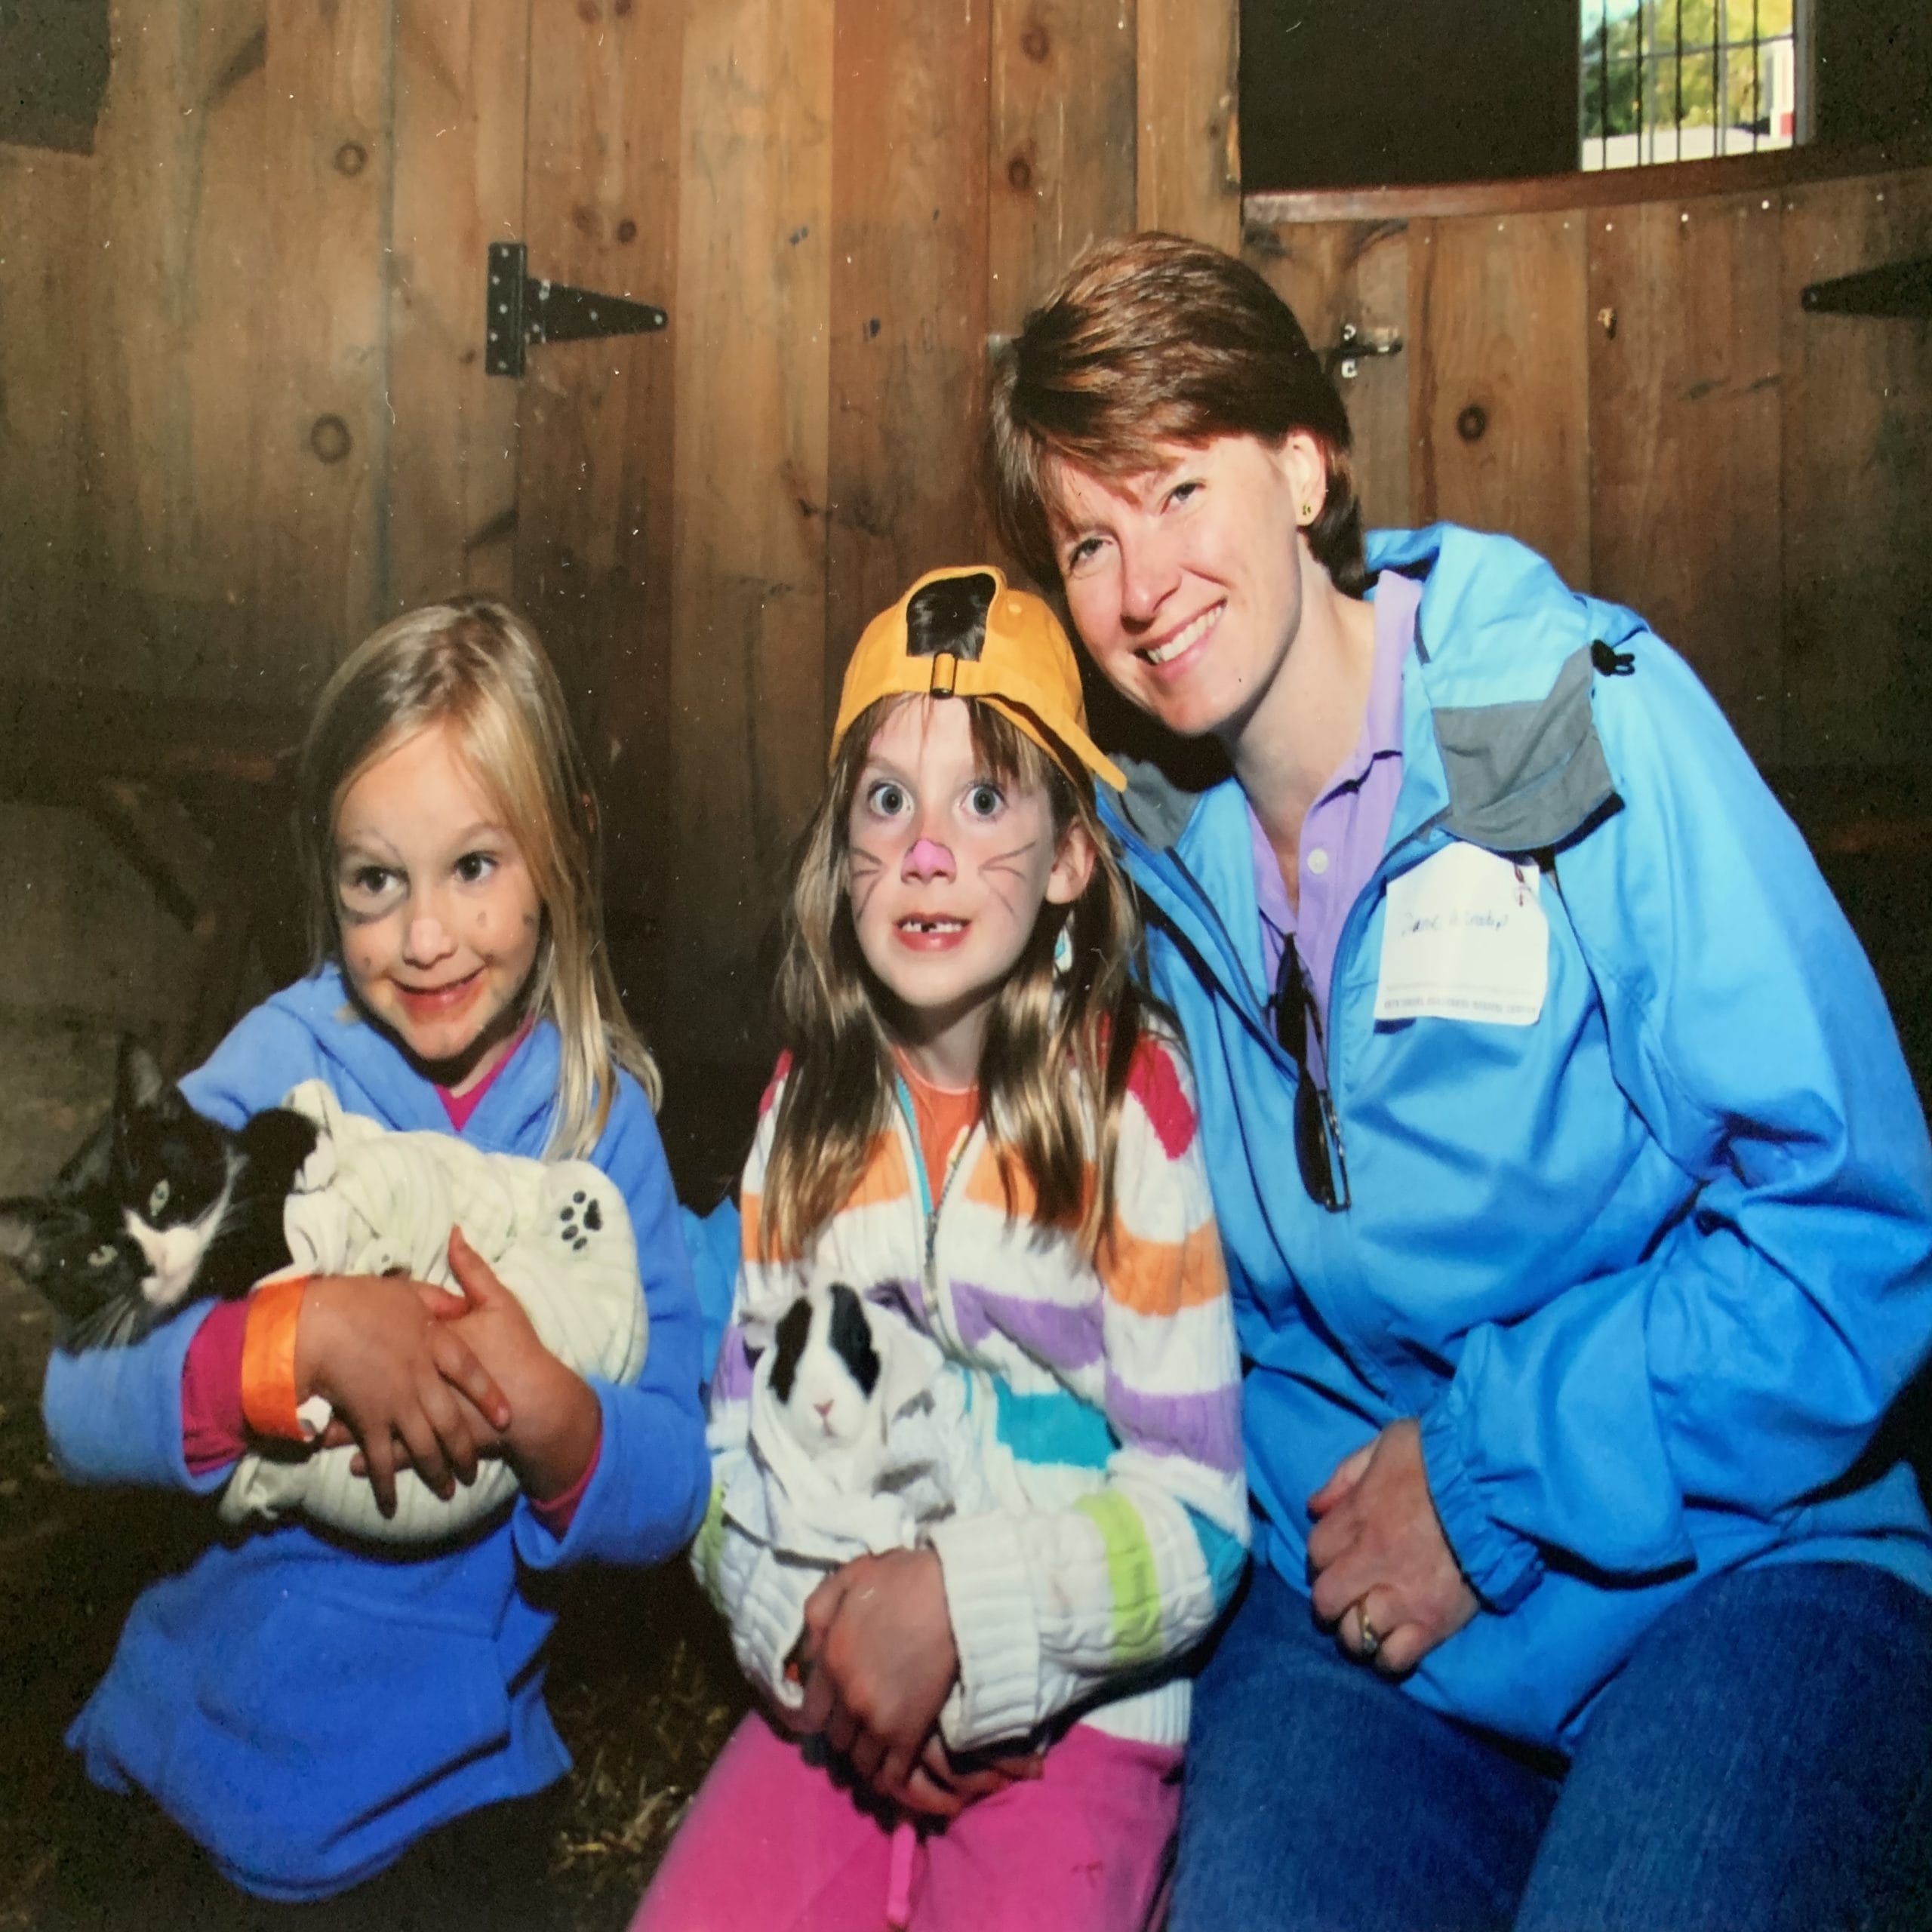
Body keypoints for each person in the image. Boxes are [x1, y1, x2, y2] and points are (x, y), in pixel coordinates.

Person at [984, 231, 1932, 1931]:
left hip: (1726, 1568)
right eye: (1087, 537)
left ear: (1300, 461)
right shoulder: (1147, 867)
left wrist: (1488, 1477)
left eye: (1179, 489)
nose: (1138, 585)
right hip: (1366, 1612)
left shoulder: (1558, 714)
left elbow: (1851, 1226)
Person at [43, 598, 710, 1924]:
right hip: (194, 1757)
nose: (423, 939)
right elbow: (71, 1403)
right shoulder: (272, 1074)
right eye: (374, 881)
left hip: (455, 1780)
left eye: (476, 867)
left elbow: (677, 1466)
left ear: (565, 851)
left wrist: (563, 1420)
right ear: (325, 877)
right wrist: (284, 1346)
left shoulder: (600, 1132)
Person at [634, 566, 1248, 1931]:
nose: (925, 851)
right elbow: (732, 1457)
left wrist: (964, 1617)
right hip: (832, 1702)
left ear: (1073, 858)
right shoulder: (807, 1113)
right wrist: (815, 1650)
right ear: (840, 855)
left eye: (985, 801)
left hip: (1075, 1718)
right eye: (887, 801)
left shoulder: (1127, 1109)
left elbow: (1201, 1518)